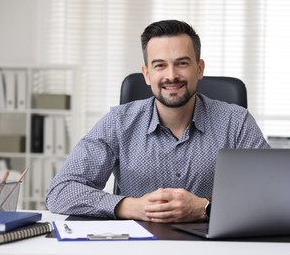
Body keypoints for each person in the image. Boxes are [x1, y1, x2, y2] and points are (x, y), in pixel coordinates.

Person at [46, 19, 270, 223]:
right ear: (146, 74)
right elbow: (61, 192)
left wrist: (206, 207)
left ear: (199, 69)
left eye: (182, 63)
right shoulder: (118, 122)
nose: (171, 75)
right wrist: (131, 207)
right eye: (160, 65)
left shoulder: (236, 121)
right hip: (138, 244)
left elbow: (272, 192)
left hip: (215, 245)